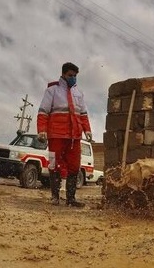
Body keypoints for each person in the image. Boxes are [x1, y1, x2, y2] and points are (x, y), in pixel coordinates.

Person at [37, 62, 93, 208]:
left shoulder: (79, 94)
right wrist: (41, 130)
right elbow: (43, 112)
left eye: (75, 76)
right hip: (56, 135)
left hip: (74, 137)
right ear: (63, 74)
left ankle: (71, 199)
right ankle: (55, 197)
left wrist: (87, 130)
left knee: (74, 167)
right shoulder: (52, 91)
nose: (73, 78)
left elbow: (83, 114)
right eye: (70, 75)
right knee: (54, 164)